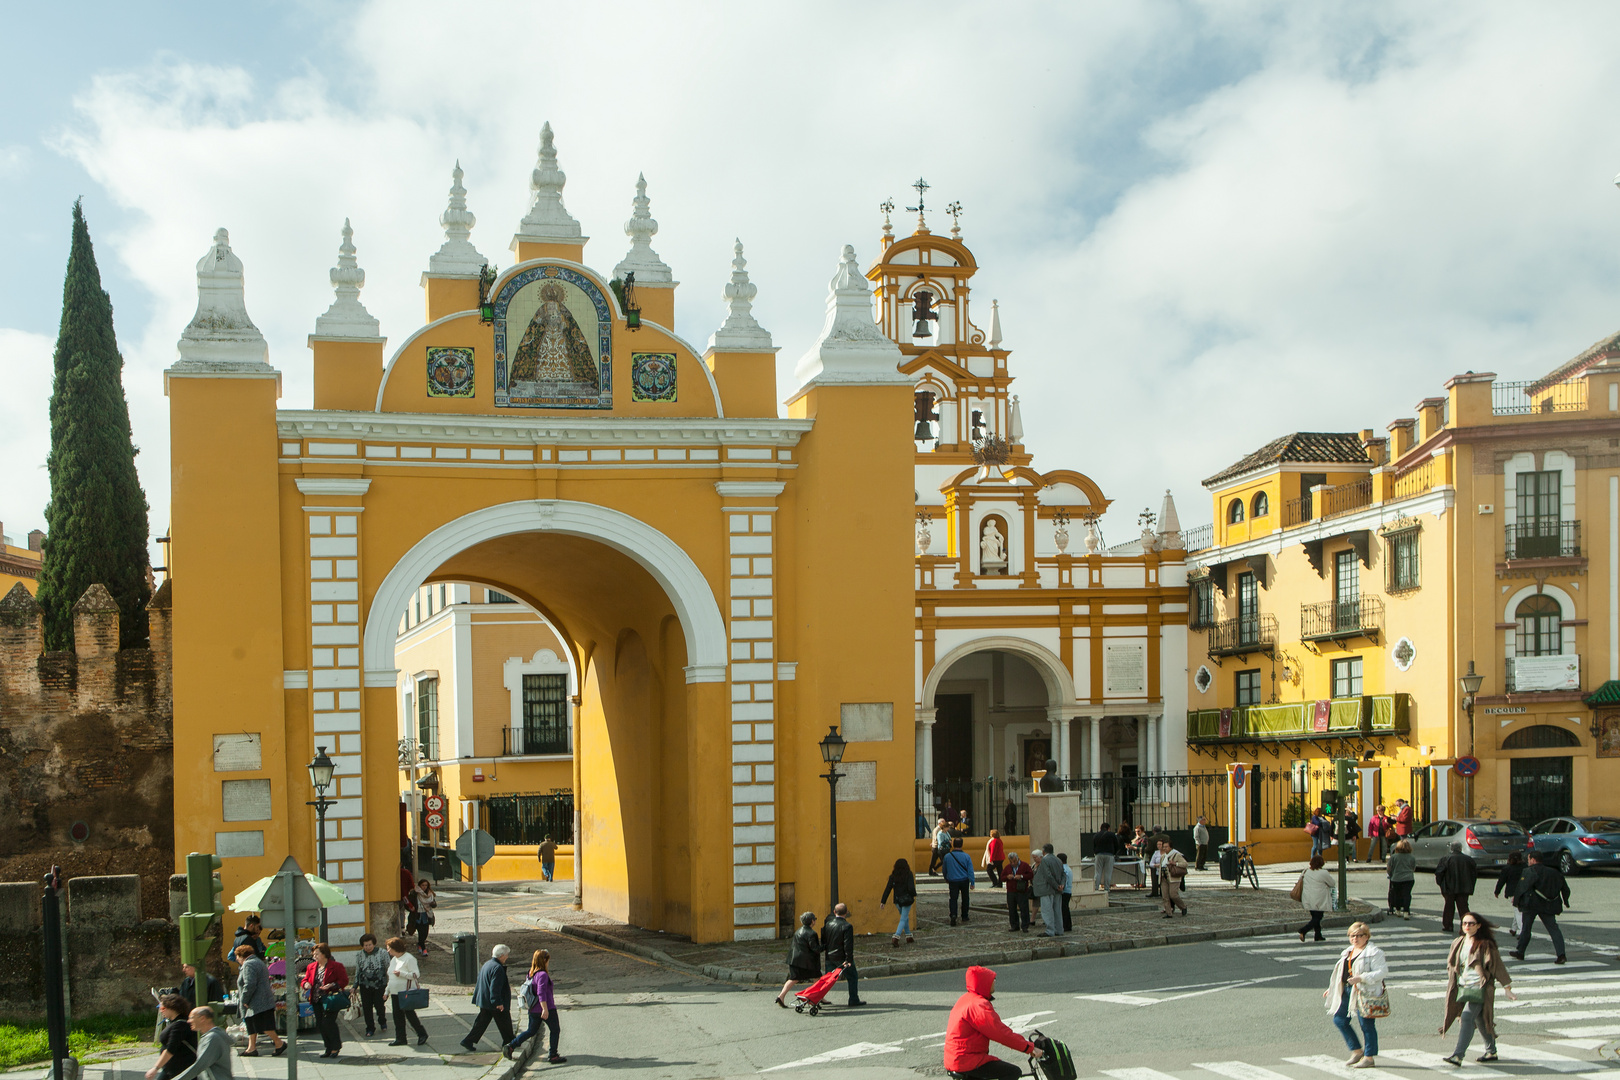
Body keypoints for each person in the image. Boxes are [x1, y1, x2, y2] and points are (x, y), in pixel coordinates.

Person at [943, 965, 1043, 1080]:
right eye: (992, 980)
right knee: (1012, 1072)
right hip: (967, 1060)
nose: (994, 982)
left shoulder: (967, 998)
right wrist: (1029, 1048)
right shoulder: (978, 1006)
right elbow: (1001, 1033)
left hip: (957, 1058)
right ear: (984, 983)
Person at [1441, 914, 1517, 1064]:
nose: (1467, 926)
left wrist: (1507, 987)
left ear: (1478, 925)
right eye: (1464, 923)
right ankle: (1491, 1052)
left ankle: (1458, 1055)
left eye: (1471, 923)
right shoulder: (1458, 942)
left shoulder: (1485, 944)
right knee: (1481, 1019)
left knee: (1466, 1017)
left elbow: (1497, 966)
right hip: (1463, 987)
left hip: (1479, 987)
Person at [1323, 921, 1388, 1070]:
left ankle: (1369, 1057)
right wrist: (1331, 989)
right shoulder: (1348, 951)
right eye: (1352, 936)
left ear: (1367, 936)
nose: (1355, 939)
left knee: (1366, 1024)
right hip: (1346, 991)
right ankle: (1357, 1051)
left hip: (1365, 992)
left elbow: (1382, 972)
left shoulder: (1374, 952)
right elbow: (1341, 972)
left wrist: (1362, 978)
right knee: (1339, 1020)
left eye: (1359, 935)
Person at [506, 949, 565, 1065]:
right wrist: (545, 1009)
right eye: (547, 960)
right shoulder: (542, 974)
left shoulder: (531, 973)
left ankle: (511, 1046)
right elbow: (541, 992)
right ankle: (553, 1055)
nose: (548, 962)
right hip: (546, 1008)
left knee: (531, 1031)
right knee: (555, 1030)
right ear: (544, 960)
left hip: (533, 1009)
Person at [1511, 850, 1569, 963]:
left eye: (1528, 859)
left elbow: (1521, 888)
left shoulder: (1528, 871)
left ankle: (1520, 952)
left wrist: (1516, 902)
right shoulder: (1554, 872)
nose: (1528, 861)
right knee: (1554, 929)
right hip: (1548, 905)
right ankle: (1561, 954)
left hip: (1531, 905)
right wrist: (1566, 901)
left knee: (1526, 929)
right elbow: (1565, 888)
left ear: (1533, 860)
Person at [234, 945, 285, 1057]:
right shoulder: (258, 962)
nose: (236, 959)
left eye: (237, 956)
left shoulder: (248, 964)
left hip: (257, 1001)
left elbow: (250, 984)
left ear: (241, 955)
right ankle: (251, 1048)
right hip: (262, 1000)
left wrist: (245, 999)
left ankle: (279, 1043)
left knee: (262, 1026)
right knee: (251, 1024)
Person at [300, 942, 348, 1059]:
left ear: (324, 954)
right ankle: (328, 1047)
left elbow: (344, 981)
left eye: (317, 954)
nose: (314, 957)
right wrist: (305, 984)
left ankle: (335, 1046)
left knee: (328, 1022)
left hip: (330, 999)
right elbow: (305, 980)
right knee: (321, 1025)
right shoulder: (311, 967)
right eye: (314, 955)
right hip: (316, 999)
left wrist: (332, 985)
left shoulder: (336, 966)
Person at [463, 944, 515, 1051]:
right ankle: (509, 1041)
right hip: (493, 1002)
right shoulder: (498, 968)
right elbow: (495, 987)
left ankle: (468, 1040)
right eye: (506, 955)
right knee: (505, 1021)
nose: (507, 957)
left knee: (481, 1023)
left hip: (484, 1000)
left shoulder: (487, 964)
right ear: (501, 955)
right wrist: (498, 1002)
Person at [386, 936, 429, 1046]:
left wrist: (402, 974)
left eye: (389, 948)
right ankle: (400, 1038)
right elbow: (391, 977)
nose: (388, 950)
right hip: (395, 993)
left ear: (396, 948)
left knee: (410, 1015)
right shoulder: (394, 959)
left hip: (405, 992)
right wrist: (387, 992)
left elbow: (416, 974)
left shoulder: (409, 958)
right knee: (397, 1017)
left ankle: (422, 1034)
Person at [774, 912, 823, 1007]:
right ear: (812, 921)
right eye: (815, 919)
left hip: (794, 960)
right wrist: (824, 947)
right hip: (806, 963)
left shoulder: (798, 931)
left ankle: (781, 996)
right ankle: (817, 997)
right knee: (816, 978)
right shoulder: (812, 933)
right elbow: (815, 948)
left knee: (793, 978)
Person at [821, 903, 865, 1006]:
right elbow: (848, 944)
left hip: (830, 956)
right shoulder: (847, 926)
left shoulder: (828, 924)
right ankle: (853, 999)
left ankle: (818, 997)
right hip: (841, 957)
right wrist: (849, 959)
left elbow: (824, 941)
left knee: (828, 980)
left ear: (834, 912)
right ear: (846, 913)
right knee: (852, 976)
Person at [171, 1008, 232, 1080]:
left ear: (202, 1018)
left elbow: (199, 1065)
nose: (188, 1021)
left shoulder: (212, 1038)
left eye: (191, 1018)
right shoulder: (215, 1034)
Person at [147, 995, 197, 1080]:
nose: (160, 1011)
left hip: (181, 1068)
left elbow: (171, 1049)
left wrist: (155, 1068)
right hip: (170, 1068)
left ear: (172, 1008)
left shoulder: (180, 1025)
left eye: (163, 1008)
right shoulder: (175, 1023)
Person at [1435, 840, 1480, 933]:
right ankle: (1466, 927)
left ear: (1451, 848)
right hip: (1464, 888)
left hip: (1449, 887)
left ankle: (1448, 925)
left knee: (1448, 907)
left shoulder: (1446, 858)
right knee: (1463, 908)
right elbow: (1474, 874)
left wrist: (1442, 885)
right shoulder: (1469, 859)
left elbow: (1439, 873)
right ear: (1460, 848)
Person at [353, 933, 390, 1038]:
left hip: (380, 984)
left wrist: (389, 984)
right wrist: (354, 986)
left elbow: (389, 968)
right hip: (365, 985)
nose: (367, 947)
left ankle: (382, 1021)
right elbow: (358, 971)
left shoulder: (382, 953)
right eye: (365, 945)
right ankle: (370, 1028)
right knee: (367, 1007)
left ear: (374, 944)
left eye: (369, 945)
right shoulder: (359, 955)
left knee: (379, 1005)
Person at [1298, 854, 1337, 941]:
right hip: (1319, 898)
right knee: (1318, 917)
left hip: (1307, 897)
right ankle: (1304, 930)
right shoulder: (1323, 873)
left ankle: (1318, 935)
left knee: (1315, 917)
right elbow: (1332, 883)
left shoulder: (1306, 871)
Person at [881, 857, 918, 943]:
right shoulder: (908, 874)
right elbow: (911, 887)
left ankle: (908, 935)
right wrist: (913, 895)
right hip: (907, 899)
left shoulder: (893, 876)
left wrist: (883, 901)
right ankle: (896, 936)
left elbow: (888, 889)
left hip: (897, 901)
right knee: (903, 918)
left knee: (904, 918)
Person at [944, 838, 976, 926]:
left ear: (953, 845)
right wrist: (972, 882)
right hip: (964, 880)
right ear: (962, 845)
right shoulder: (966, 856)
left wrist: (946, 877)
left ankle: (953, 914)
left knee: (953, 899)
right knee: (965, 898)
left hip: (953, 880)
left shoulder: (947, 856)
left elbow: (944, 869)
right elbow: (970, 870)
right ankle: (964, 915)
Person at [1033, 845, 1064, 936]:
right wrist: (1061, 885)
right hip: (1057, 889)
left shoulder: (1045, 860)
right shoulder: (1058, 860)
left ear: (1043, 851)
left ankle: (1050, 930)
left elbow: (1048, 875)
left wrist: (1056, 886)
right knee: (1057, 911)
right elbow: (1063, 874)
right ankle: (1059, 929)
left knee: (1047, 911)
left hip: (1047, 889)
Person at [1495, 851, 1526, 938]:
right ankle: (1514, 928)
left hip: (1512, 893)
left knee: (1518, 911)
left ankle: (1522, 931)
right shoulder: (1525, 867)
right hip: (1524, 891)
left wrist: (1497, 891)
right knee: (1517, 910)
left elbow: (1501, 881)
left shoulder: (1507, 868)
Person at [1386, 838, 1416, 920]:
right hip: (1409, 878)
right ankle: (1406, 911)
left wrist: (1391, 875)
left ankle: (1398, 910)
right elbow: (1413, 868)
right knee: (1407, 894)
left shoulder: (1394, 857)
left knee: (1397, 894)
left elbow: (1389, 868)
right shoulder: (1411, 857)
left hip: (1396, 878)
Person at [1003, 851, 1032, 932]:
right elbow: (1002, 877)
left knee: (1024, 908)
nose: (1013, 863)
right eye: (1011, 862)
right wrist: (1007, 877)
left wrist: (1021, 876)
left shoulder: (1024, 865)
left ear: (1018, 859)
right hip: (1011, 891)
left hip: (1021, 890)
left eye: (1014, 861)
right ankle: (1014, 925)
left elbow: (1030, 875)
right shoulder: (1008, 867)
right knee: (1012, 909)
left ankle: (1025, 926)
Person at [1158, 839, 1188, 918]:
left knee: (1173, 895)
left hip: (1173, 877)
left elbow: (1185, 864)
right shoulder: (1163, 856)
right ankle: (1169, 912)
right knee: (1165, 896)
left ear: (1171, 847)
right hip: (1164, 878)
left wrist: (1175, 863)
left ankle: (1183, 907)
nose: (1165, 848)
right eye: (1163, 847)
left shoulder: (1176, 855)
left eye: (1166, 847)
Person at [410, 877, 437, 954]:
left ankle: (420, 944)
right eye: (423, 885)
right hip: (418, 915)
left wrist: (433, 904)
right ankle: (423, 948)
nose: (424, 887)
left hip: (427, 915)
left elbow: (434, 904)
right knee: (421, 932)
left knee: (425, 933)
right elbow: (409, 903)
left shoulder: (430, 894)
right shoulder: (415, 893)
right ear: (419, 886)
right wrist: (412, 908)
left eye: (426, 885)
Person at [1093, 822, 1121, 892]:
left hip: (1099, 854)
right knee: (1108, 872)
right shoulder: (1112, 835)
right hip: (1109, 854)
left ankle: (1096, 887)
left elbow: (1094, 846)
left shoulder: (1096, 835)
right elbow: (1117, 845)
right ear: (1108, 828)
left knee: (1098, 872)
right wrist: (1114, 853)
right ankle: (1107, 888)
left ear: (1100, 828)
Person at [1057, 853, 1074, 932]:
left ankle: (1066, 925)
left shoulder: (1063, 869)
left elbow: (1064, 881)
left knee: (1064, 909)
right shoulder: (1068, 868)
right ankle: (1067, 925)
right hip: (1068, 891)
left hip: (1065, 891)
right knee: (1065, 909)